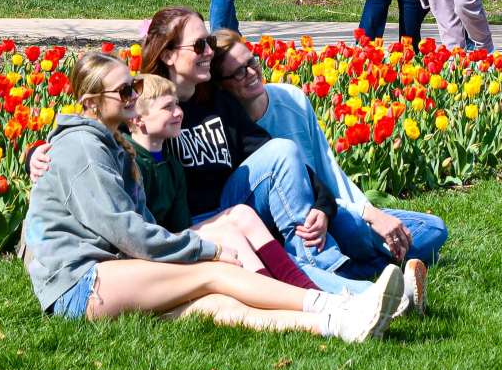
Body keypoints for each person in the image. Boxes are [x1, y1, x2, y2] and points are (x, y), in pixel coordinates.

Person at [22, 51, 402, 342]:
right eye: (124, 91)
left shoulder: (112, 143)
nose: (134, 95)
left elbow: (136, 229)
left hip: (106, 275)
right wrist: (206, 250)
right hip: (80, 283)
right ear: (90, 103)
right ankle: (340, 303)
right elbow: (127, 231)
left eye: (134, 86)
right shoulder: (85, 148)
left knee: (215, 305)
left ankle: (337, 325)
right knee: (214, 274)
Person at [211, 29, 449, 311]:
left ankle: (349, 271)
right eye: (238, 72)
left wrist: (364, 212)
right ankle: (356, 276)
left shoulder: (292, 100)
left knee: (431, 229)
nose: (251, 73)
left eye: (252, 62)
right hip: (290, 228)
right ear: (222, 86)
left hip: (328, 209)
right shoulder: (227, 126)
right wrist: (356, 217)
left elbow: (327, 171)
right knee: (353, 228)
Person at [126, 73, 321, 291]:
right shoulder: (131, 162)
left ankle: (304, 287)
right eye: (167, 107)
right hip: (152, 248)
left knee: (242, 213)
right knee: (229, 232)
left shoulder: (171, 162)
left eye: (177, 105)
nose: (179, 112)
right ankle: (272, 292)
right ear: (137, 119)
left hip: (175, 234)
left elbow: (181, 223)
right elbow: (138, 228)